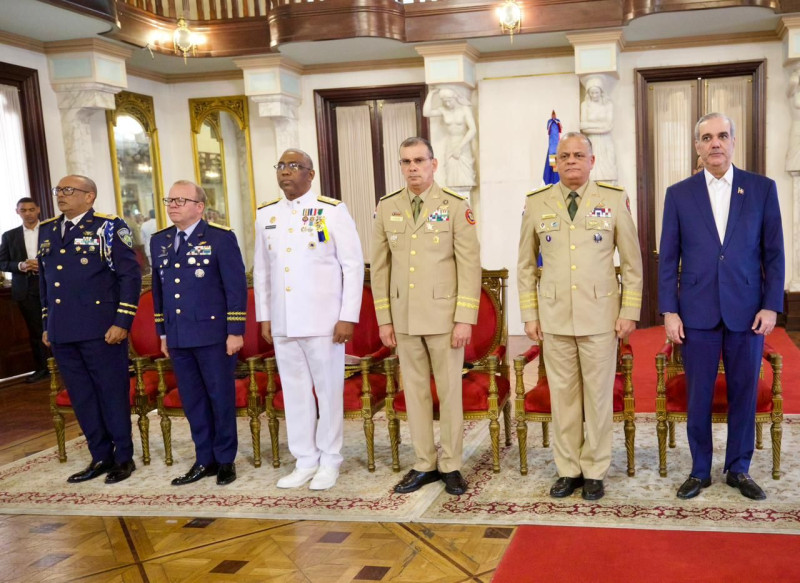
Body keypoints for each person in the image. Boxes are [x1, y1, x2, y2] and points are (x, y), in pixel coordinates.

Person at [659, 113, 785, 501]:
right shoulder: (679, 194)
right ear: (698, 147)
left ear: (733, 142)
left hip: (748, 312)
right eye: (707, 137)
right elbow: (668, 258)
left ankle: (739, 468)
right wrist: (669, 310)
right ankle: (700, 469)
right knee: (697, 394)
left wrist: (771, 305)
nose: (715, 143)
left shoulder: (761, 189)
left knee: (745, 392)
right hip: (695, 312)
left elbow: (775, 253)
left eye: (722, 136)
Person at [517, 132, 643, 501]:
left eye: (579, 155)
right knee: (564, 397)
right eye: (564, 155)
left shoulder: (614, 200)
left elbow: (632, 264)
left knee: (599, 397)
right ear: (555, 162)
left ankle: (595, 469)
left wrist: (629, 311)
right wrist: (529, 314)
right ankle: (568, 469)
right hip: (554, 317)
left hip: (601, 317)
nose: (571, 161)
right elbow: (526, 265)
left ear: (592, 160)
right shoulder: (537, 203)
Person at [371, 137, 481, 496]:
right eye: (406, 162)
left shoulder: (454, 206)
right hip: (404, 317)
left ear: (434, 164)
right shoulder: (387, 207)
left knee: (449, 393)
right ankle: (424, 463)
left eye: (419, 160)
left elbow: (469, 266)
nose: (413, 168)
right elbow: (380, 268)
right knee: (415, 392)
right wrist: (384, 319)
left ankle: (450, 464)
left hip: (444, 318)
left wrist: (465, 317)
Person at [254, 149, 363, 491]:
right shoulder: (266, 215)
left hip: (323, 321)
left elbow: (353, 266)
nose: (286, 172)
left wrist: (348, 316)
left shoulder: (331, 210)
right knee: (295, 392)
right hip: (284, 321)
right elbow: (262, 271)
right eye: (282, 166)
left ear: (310, 175)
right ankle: (304, 459)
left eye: (294, 167)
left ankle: (330, 460)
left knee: (328, 392)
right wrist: (265, 316)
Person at [39, 175, 142, 483]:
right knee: (82, 397)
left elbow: (130, 276)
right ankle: (100, 456)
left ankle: (123, 457)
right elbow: (46, 282)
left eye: (69, 190)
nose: (61, 195)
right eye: (58, 190)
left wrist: (122, 321)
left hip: (102, 329)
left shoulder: (109, 226)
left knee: (111, 393)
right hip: (63, 330)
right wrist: (47, 323)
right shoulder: (48, 229)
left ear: (90, 196)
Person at [151, 180, 247, 487]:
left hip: (214, 336)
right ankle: (203, 459)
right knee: (192, 401)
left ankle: (225, 460)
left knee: (220, 399)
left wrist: (235, 331)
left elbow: (235, 288)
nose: (173, 205)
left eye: (181, 200)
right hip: (179, 337)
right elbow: (159, 290)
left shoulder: (220, 238)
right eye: (170, 199)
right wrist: (163, 333)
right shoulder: (160, 241)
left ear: (199, 207)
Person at [0, 198, 49, 382]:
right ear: (17, 212)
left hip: (51, 286)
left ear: (38, 210)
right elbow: (2, 262)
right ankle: (43, 368)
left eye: (31, 209)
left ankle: (66, 366)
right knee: (36, 331)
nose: (28, 213)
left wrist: (43, 264)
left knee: (59, 326)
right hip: (26, 288)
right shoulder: (9, 236)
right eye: (23, 210)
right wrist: (20, 265)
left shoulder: (51, 231)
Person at [423, 87, 477, 188]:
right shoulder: (443, 110)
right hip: (451, 144)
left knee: (465, 177)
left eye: (449, 101)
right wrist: (431, 94)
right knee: (452, 178)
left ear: (455, 98)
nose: (448, 104)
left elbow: (472, 129)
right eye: (445, 102)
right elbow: (426, 113)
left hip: (463, 144)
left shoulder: (464, 110)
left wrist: (460, 147)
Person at [579, 77, 617, 183]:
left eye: (596, 92)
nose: (594, 95)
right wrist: (602, 127)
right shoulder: (585, 105)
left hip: (605, 140)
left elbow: (609, 126)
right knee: (592, 169)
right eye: (592, 93)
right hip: (591, 141)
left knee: (609, 166)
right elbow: (583, 126)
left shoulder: (608, 105)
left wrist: (591, 127)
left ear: (601, 92)